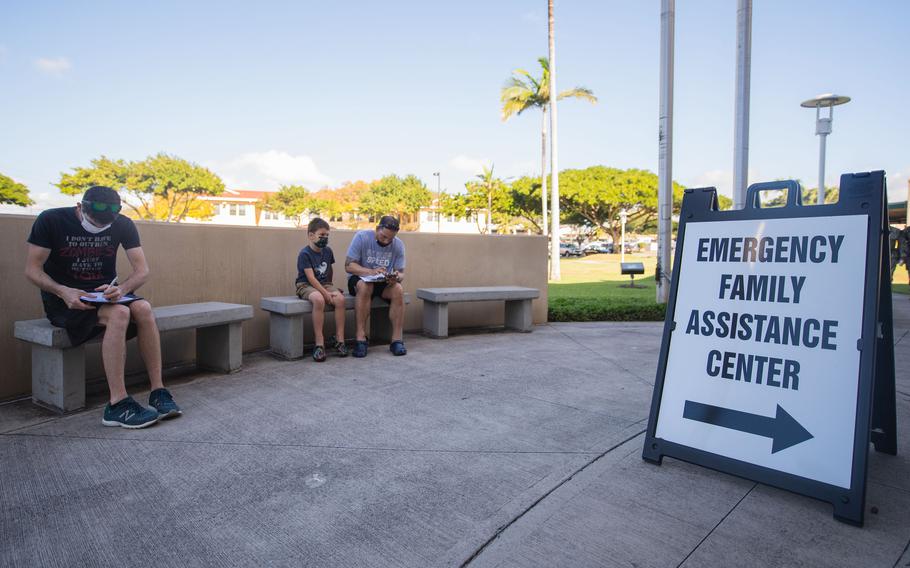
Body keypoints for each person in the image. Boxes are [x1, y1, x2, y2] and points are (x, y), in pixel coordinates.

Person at [24, 186, 180, 428]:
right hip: (65, 300)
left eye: (104, 226)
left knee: (144, 309)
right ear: (80, 207)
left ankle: (158, 391)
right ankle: (117, 404)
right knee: (121, 313)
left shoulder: (123, 224)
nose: (98, 228)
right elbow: (32, 270)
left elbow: (142, 271)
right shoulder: (51, 220)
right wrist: (63, 291)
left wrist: (123, 289)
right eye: (93, 222)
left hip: (106, 295)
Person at [345, 215, 407, 357]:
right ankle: (361, 339)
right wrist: (370, 271)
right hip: (360, 279)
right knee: (366, 286)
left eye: (390, 238)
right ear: (377, 228)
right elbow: (348, 266)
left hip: (383, 282)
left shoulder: (398, 245)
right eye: (384, 236)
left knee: (398, 289)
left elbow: (401, 273)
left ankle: (396, 340)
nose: (387, 241)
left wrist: (396, 277)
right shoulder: (361, 237)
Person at [296, 217, 348, 361]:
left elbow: (329, 269)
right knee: (319, 300)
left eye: (327, 235)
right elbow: (311, 278)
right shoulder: (304, 254)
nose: (324, 238)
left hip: (324, 284)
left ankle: (340, 339)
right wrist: (325, 293)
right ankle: (319, 343)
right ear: (311, 235)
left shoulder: (328, 251)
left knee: (340, 300)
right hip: (306, 285)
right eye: (321, 235)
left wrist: (331, 287)